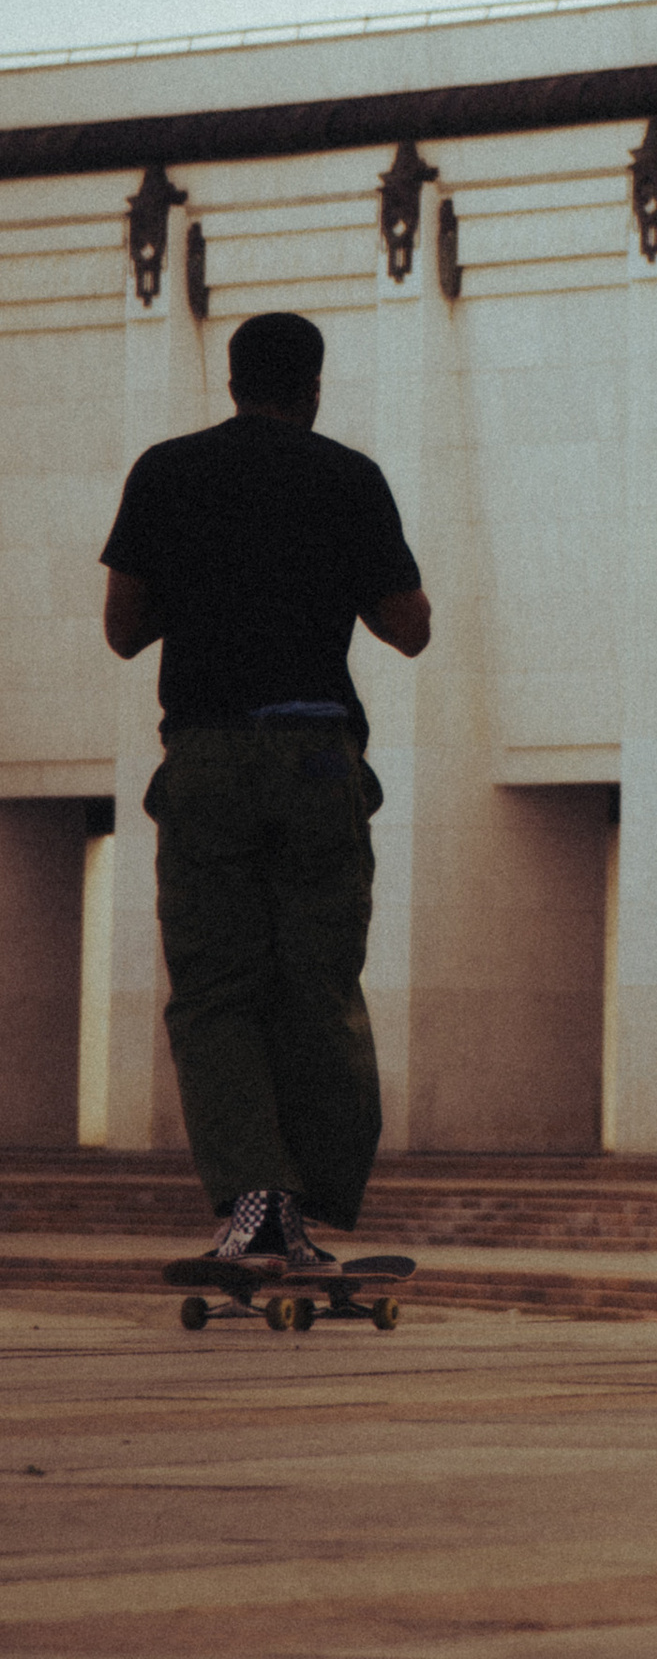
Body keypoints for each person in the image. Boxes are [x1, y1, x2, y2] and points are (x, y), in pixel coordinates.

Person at [98, 308, 430, 1276]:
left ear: (232, 380)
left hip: (205, 755)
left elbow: (122, 629)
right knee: (318, 984)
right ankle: (315, 1203)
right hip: (317, 753)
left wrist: (204, 589)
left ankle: (256, 1206)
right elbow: (408, 627)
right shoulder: (351, 477)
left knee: (214, 992)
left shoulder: (167, 470)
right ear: (314, 387)